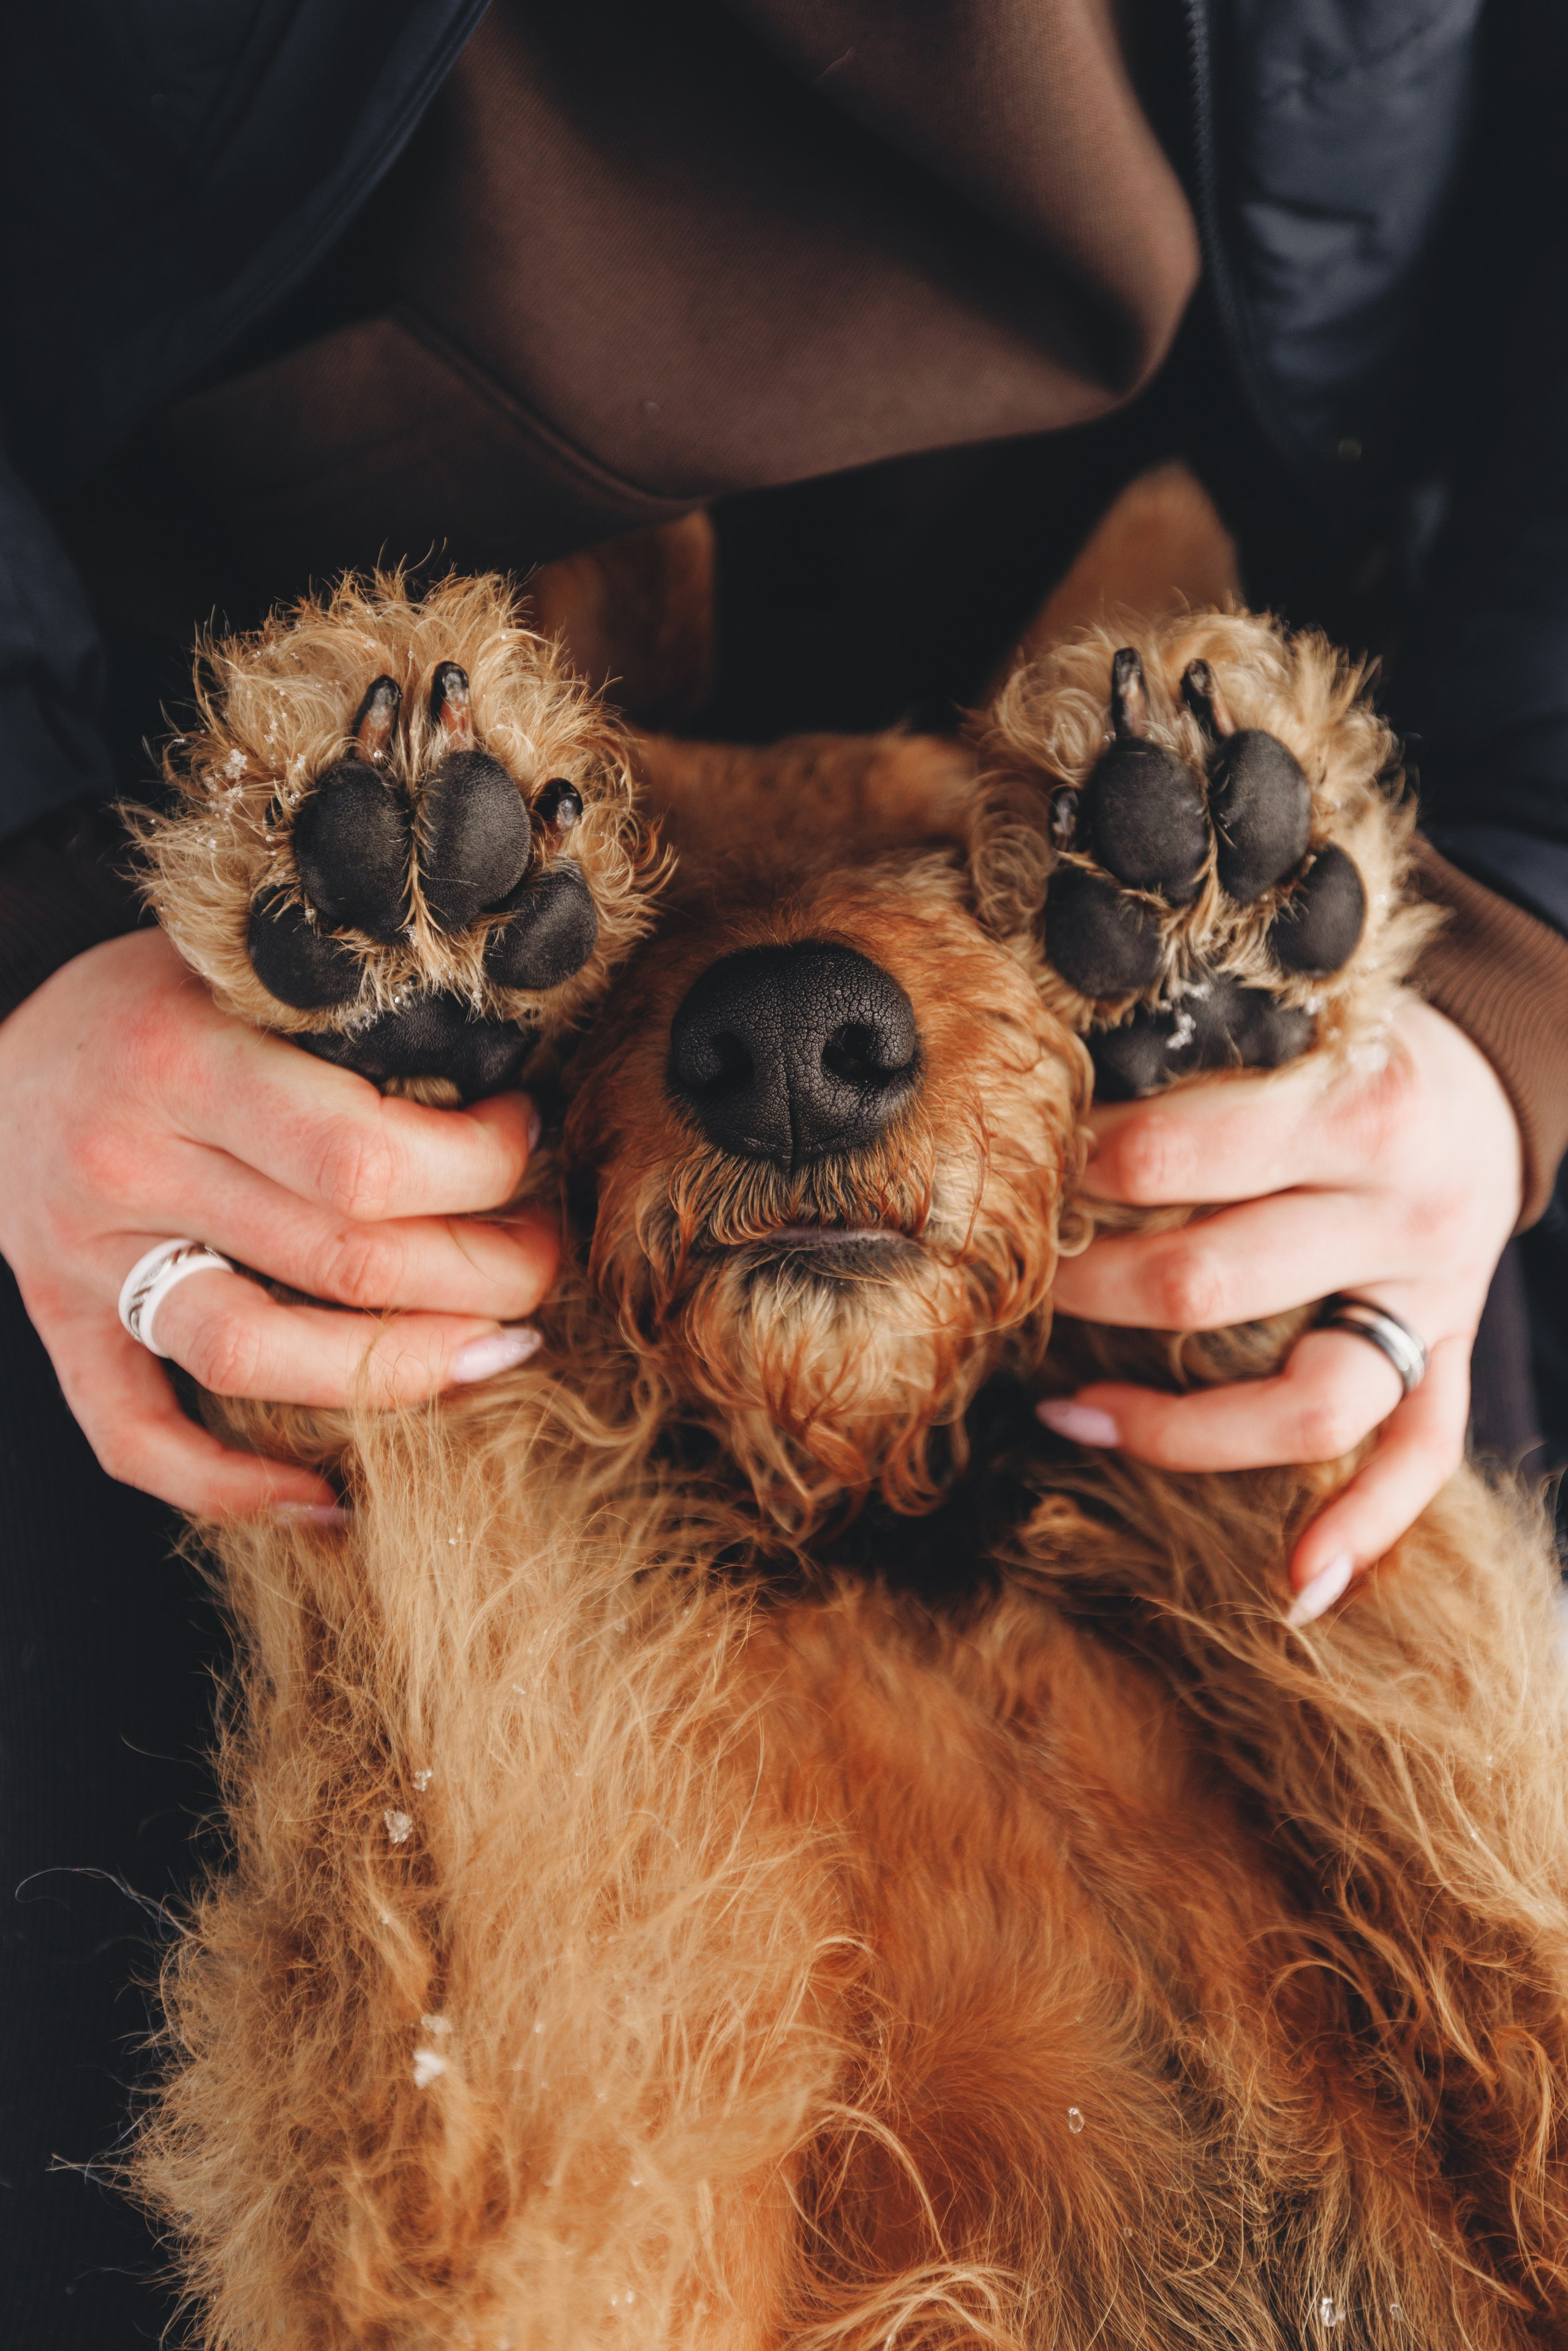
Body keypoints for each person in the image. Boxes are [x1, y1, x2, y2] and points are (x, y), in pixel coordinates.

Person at [1, 2, 1564, 2335]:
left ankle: (471, 1069)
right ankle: (450, 1074)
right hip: (161, 739)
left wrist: (1525, 958)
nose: (797, 1029)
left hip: (1174, 655)